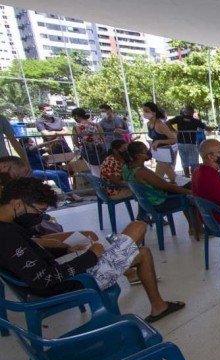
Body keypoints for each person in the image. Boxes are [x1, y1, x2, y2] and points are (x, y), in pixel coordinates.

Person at [0, 177, 185, 322]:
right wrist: (90, 256)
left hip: (67, 275)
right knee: (138, 227)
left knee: (142, 252)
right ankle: (133, 276)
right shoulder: (7, 235)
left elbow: (32, 261)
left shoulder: (9, 228)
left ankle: (158, 305)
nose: (40, 217)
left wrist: (68, 251)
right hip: (76, 283)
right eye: (39, 211)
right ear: (17, 204)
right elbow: (43, 279)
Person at [122, 141, 195, 233]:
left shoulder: (126, 167)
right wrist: (189, 192)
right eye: (146, 151)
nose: (149, 152)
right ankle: (195, 228)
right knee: (191, 198)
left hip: (147, 202)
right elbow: (167, 187)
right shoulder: (142, 172)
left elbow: (161, 185)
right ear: (138, 155)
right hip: (159, 203)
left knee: (188, 185)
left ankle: (193, 228)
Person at [167, 104, 207, 177]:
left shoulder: (178, 118)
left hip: (181, 143)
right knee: (194, 162)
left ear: (184, 112)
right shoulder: (195, 121)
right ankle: (194, 178)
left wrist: (174, 131)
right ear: (192, 112)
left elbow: (167, 122)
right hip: (191, 143)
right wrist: (213, 128)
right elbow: (206, 127)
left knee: (184, 161)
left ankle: (187, 177)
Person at [142, 102, 177, 183]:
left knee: (157, 178)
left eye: (147, 111)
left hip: (165, 153)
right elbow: (154, 139)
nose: (144, 113)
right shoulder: (148, 124)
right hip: (158, 152)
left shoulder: (160, 124)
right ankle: (181, 190)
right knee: (173, 177)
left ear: (153, 113)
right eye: (143, 111)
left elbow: (173, 139)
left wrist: (159, 141)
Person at [71, 108, 108, 177]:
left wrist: (80, 147)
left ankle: (100, 184)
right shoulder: (96, 125)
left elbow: (75, 141)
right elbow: (103, 136)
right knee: (104, 168)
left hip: (88, 151)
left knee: (95, 171)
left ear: (76, 116)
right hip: (100, 149)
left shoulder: (76, 127)